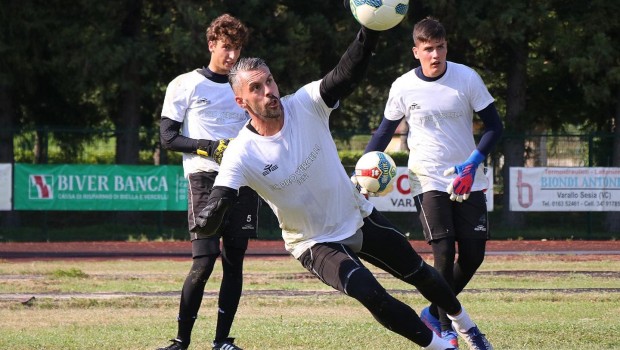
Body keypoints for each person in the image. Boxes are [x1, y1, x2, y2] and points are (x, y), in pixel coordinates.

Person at [193, 21, 494, 350]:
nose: (268, 92)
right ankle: (440, 348)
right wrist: (210, 215)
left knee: (420, 273)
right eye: (256, 88)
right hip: (314, 242)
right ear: (241, 101)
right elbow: (220, 196)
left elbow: (345, 73)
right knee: (371, 294)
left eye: (270, 82)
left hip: (357, 215)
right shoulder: (241, 151)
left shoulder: (305, 103)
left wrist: (370, 31)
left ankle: (467, 326)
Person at [361, 17, 504, 348]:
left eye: (439, 47)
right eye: (428, 49)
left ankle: (432, 309)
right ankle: (445, 329)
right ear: (416, 52)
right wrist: (362, 170)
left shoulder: (467, 79)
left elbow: (495, 126)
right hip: (425, 178)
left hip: (468, 178)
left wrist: (472, 163)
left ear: (446, 47)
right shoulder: (402, 87)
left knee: (472, 256)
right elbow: (384, 132)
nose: (435, 55)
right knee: (443, 248)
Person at [157, 14, 260, 350]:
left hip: (242, 179)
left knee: (234, 262)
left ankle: (221, 342)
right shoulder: (185, 84)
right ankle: (181, 341)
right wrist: (208, 148)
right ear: (212, 44)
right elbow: (168, 137)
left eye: (237, 48)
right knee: (203, 262)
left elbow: (262, 128)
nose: (232, 55)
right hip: (203, 179)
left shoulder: (244, 86)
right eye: (226, 47)